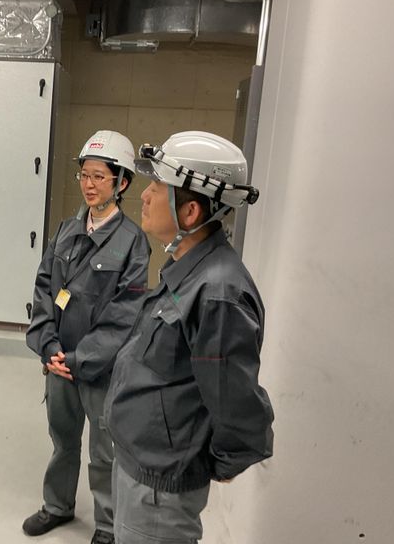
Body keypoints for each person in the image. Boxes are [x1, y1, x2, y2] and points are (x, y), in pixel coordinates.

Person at [104, 131, 274, 544]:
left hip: (160, 491)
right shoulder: (188, 269)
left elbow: (235, 399)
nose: (145, 196)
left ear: (191, 211)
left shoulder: (217, 292)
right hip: (139, 465)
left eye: (156, 187)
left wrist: (223, 461)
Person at [24, 130, 151, 544]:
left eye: (99, 176)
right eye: (84, 175)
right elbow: (44, 290)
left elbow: (124, 316)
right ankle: (57, 506)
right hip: (59, 363)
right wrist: (48, 346)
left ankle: (108, 526)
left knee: (103, 451)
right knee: (62, 442)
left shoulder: (132, 243)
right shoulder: (66, 230)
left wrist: (79, 359)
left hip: (101, 370)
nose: (89, 185)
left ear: (122, 182)